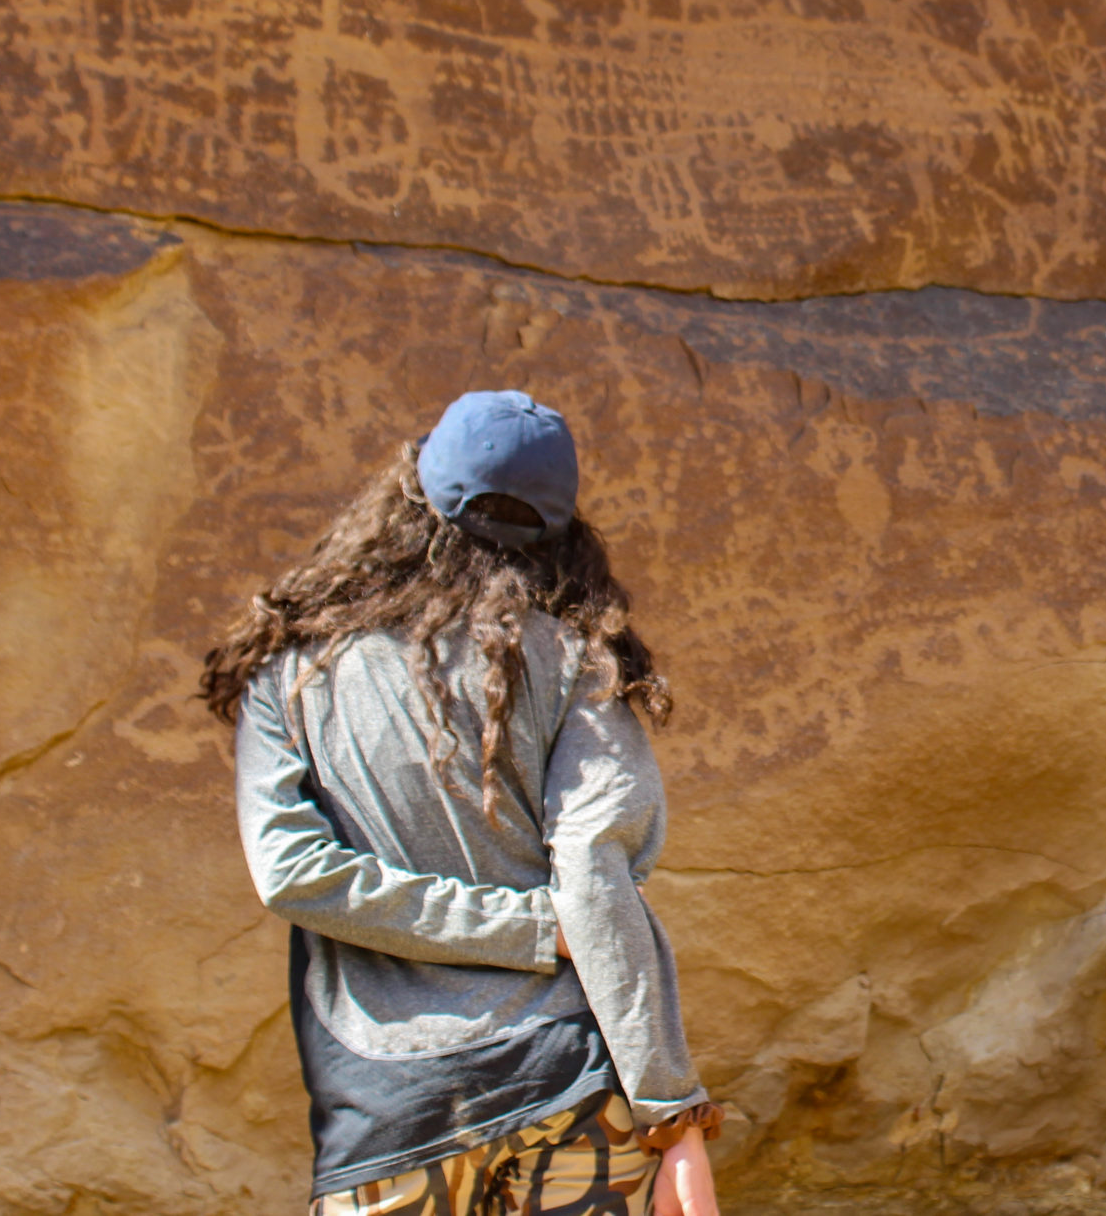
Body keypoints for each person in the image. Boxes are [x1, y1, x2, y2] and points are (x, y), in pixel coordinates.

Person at [198, 390, 725, 1215]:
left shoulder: (290, 671)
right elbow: (594, 879)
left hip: (389, 1117)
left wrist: (515, 929)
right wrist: (672, 1112)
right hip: (570, 1088)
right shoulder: (579, 664)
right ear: (561, 533)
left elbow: (291, 874)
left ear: (412, 492)